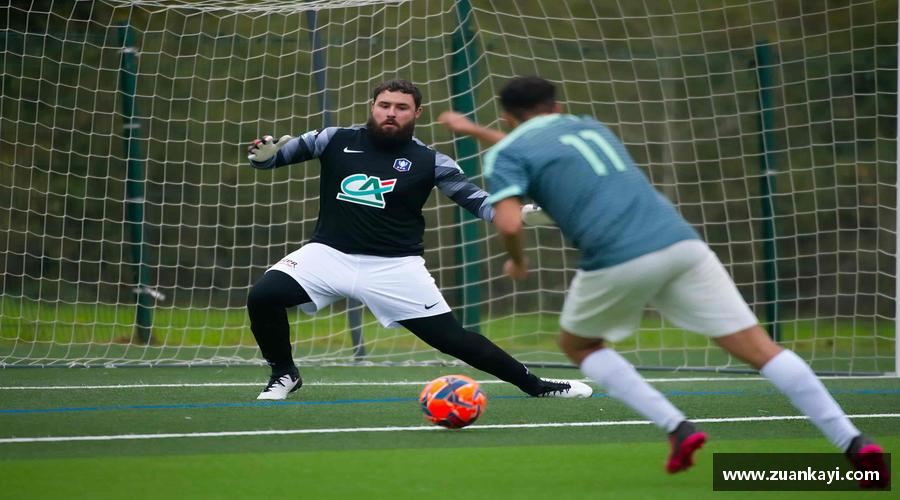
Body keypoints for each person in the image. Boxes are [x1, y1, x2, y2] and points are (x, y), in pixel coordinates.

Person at [438, 76, 889, 487]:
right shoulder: (587, 126)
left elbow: (510, 220)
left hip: (616, 255)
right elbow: (540, 148)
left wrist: (517, 263)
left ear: (506, 116)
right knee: (762, 350)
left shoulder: (507, 155)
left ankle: (677, 427)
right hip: (681, 242)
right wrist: (473, 129)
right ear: (557, 108)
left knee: (579, 346)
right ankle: (854, 442)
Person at [245, 79, 592, 402]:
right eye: (384, 105)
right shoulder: (332, 138)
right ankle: (284, 373)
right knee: (263, 296)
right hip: (328, 253)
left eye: (401, 107)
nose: (391, 113)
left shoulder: (431, 161)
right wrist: (261, 156)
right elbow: (272, 158)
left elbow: (478, 202)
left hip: (395, 266)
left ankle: (536, 386)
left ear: (417, 113)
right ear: (372, 106)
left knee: (453, 340)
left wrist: (524, 213)